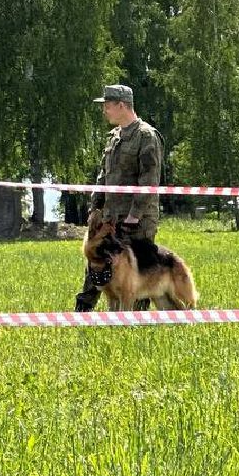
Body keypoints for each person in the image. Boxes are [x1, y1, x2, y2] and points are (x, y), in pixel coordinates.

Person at [74, 83, 164, 312]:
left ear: (121, 105)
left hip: (138, 221)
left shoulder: (146, 136)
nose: (104, 110)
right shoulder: (114, 137)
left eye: (107, 105)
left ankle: (136, 323)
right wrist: (95, 207)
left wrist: (134, 215)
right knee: (96, 267)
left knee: (138, 274)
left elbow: (150, 181)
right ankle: (81, 315)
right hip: (111, 220)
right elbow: (103, 175)